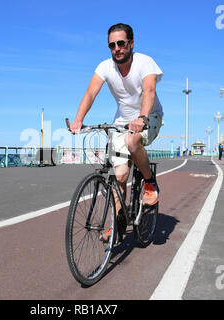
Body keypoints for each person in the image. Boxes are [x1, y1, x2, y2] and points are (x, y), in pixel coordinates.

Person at [69, 23, 163, 240]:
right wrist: (78, 120)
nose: (117, 49)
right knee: (119, 176)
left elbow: (149, 90)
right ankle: (118, 222)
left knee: (132, 142)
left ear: (131, 43)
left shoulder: (144, 62)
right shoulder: (105, 67)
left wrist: (142, 117)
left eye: (121, 43)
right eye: (112, 45)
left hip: (150, 116)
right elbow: (91, 92)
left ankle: (150, 184)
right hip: (121, 122)